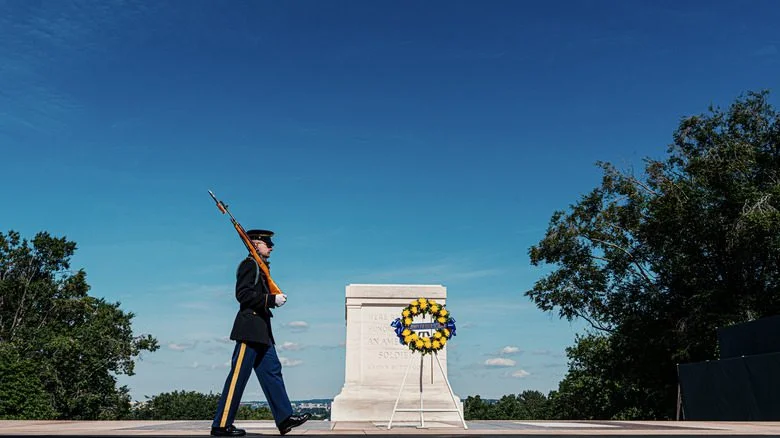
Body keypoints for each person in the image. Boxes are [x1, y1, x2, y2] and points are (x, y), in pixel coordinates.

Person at [210, 229, 311, 437]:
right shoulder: (249, 265)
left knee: (272, 372)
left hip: (262, 331)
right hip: (249, 330)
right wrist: (270, 300)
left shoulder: (261, 267)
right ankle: (220, 425)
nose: (271, 247)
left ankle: (284, 418)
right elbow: (243, 295)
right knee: (238, 377)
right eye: (267, 244)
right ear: (255, 244)